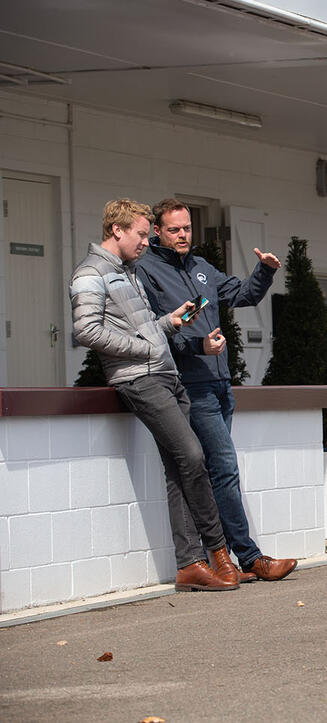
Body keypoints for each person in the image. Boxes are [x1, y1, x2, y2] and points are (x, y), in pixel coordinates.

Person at [70, 199, 238, 591]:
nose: (147, 242)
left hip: (166, 376)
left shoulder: (127, 272)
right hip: (140, 379)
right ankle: (218, 552)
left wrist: (170, 323)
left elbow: (142, 328)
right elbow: (86, 331)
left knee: (179, 469)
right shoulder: (90, 273)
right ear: (117, 230)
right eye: (142, 235)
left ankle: (189, 565)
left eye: (148, 235)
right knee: (193, 457)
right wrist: (145, 348)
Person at [136, 198, 296, 582]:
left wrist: (264, 271)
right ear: (157, 231)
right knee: (223, 468)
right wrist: (198, 346)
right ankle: (249, 557)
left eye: (187, 228)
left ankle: (222, 558)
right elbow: (155, 332)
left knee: (213, 472)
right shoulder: (146, 271)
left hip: (221, 384)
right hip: (192, 387)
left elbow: (242, 295)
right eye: (174, 229)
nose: (182, 235)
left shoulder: (200, 267)